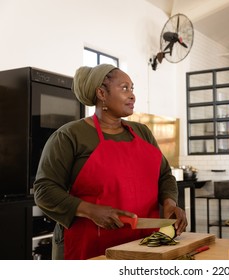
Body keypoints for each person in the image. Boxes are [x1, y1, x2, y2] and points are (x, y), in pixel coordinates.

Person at [33, 64, 187, 260]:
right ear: (101, 93)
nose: (132, 95)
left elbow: (164, 175)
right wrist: (91, 211)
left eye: (132, 89)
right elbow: (44, 190)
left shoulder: (143, 133)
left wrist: (169, 203)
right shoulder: (69, 136)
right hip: (90, 244)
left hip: (144, 242)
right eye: (124, 88)